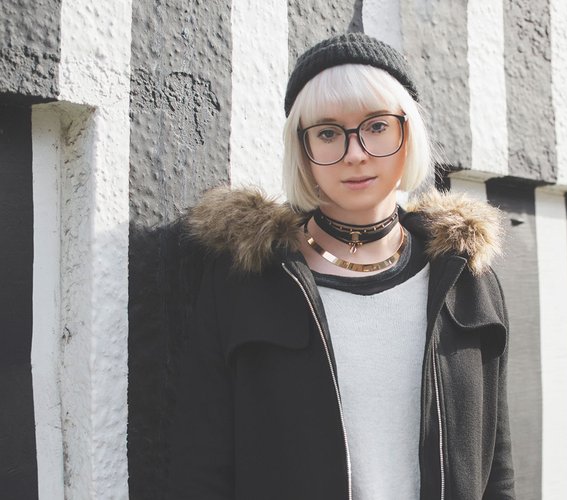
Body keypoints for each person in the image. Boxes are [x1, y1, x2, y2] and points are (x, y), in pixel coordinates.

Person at [169, 32, 515, 499]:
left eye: (377, 126)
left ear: (407, 133)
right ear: (303, 149)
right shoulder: (246, 281)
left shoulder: (465, 278)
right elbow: (200, 466)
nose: (355, 154)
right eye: (328, 133)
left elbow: (496, 468)